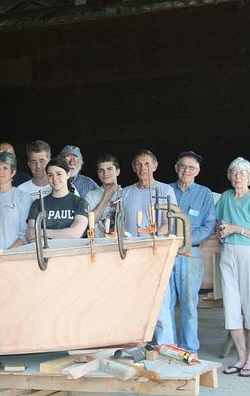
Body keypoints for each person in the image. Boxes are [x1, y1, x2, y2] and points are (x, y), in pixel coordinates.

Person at [216, 157, 250, 378]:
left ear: (249, 177)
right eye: (234, 172)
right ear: (229, 176)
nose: (237, 176)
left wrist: (236, 229)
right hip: (228, 253)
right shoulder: (226, 197)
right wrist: (220, 231)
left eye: (242, 172)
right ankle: (240, 358)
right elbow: (218, 223)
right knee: (230, 307)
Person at [121, 149, 177, 348]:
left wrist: (148, 237)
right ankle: (136, 347)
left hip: (156, 255)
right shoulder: (125, 192)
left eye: (147, 164)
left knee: (160, 305)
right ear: (133, 168)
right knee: (134, 304)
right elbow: (116, 222)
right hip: (131, 257)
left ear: (155, 166)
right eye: (138, 164)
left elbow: (171, 222)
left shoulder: (165, 191)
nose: (143, 168)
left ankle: (166, 347)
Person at [164, 151, 215, 354]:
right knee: (165, 302)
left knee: (188, 302)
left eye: (191, 167)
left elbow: (208, 225)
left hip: (190, 254)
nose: (186, 170)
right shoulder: (166, 190)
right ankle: (168, 345)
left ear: (198, 171)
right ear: (176, 168)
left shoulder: (204, 194)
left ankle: (189, 348)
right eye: (183, 166)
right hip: (167, 253)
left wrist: (185, 241)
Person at [27, 157, 89, 242]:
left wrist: (41, 232)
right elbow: (32, 235)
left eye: (59, 174)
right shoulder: (38, 204)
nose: (54, 178)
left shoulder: (80, 203)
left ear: (68, 175)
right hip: (46, 254)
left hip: (73, 253)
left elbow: (75, 234)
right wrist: (66, 232)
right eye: (50, 175)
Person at [84, 154, 121, 236]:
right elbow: (90, 222)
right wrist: (106, 197)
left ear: (118, 171)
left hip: (123, 242)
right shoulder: (91, 195)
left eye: (109, 169)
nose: (105, 173)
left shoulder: (126, 193)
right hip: (99, 244)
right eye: (101, 170)